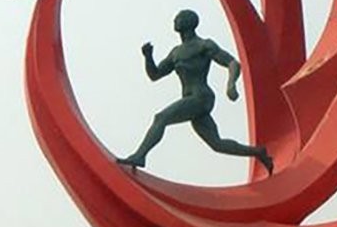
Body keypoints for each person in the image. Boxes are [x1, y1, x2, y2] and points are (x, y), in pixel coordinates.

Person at [117, 9, 273, 174]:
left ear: (188, 22)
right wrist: (148, 57)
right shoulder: (176, 53)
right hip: (191, 100)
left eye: (179, 18)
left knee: (161, 118)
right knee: (217, 144)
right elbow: (155, 75)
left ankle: (140, 156)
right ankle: (258, 152)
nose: (175, 20)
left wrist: (231, 84)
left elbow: (232, 63)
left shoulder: (203, 45)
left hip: (201, 97)